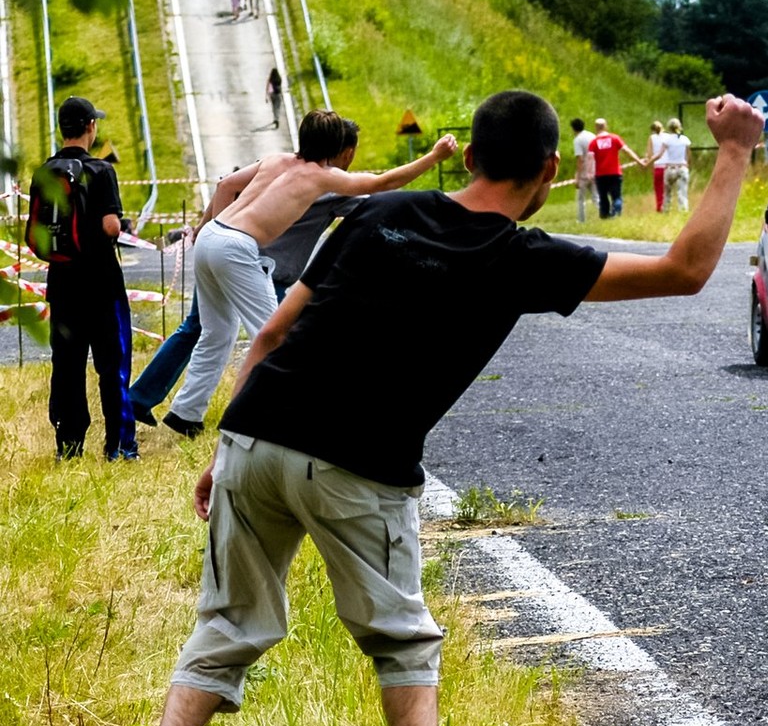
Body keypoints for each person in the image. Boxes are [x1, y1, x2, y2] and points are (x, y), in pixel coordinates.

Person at [111, 90, 763, 726]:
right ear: (549, 169)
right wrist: (734, 149)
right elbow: (686, 269)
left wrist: (227, 448)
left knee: (229, 621)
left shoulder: (377, 213)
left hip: (259, 432)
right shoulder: (519, 258)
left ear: (472, 155)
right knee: (402, 638)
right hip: (360, 463)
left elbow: (276, 331)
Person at [160, 112, 460, 438]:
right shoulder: (322, 177)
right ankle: (263, 421)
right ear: (337, 146)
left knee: (217, 332)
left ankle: (186, 413)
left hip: (213, 234)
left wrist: (214, 232)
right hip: (237, 247)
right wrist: (434, 156)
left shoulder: (276, 160)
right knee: (273, 336)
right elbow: (383, 182)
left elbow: (227, 184)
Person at [129, 193, 364, 424]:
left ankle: (154, 403)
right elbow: (372, 207)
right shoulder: (329, 186)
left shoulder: (269, 172)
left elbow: (225, 185)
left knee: (201, 329)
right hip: (262, 268)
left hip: (223, 250)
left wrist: (206, 229)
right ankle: (269, 415)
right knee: (273, 340)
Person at [41, 97, 138, 461]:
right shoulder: (100, 170)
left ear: (61, 129)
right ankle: (119, 445)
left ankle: (68, 445)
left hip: (61, 284)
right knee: (112, 365)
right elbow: (110, 226)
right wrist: (119, 226)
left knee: (67, 365)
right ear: (90, 127)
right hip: (101, 283)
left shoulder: (44, 172)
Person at [590, 118, 645, 219]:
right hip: (615, 173)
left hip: (601, 174)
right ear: (606, 126)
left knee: (603, 197)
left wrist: (589, 172)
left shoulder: (594, 142)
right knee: (616, 196)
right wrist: (639, 161)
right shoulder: (614, 138)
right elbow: (627, 150)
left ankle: (604, 215)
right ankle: (616, 212)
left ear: (596, 127)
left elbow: (589, 159)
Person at [657, 118, 692, 211]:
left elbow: (660, 154)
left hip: (670, 168)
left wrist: (650, 160)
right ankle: (683, 210)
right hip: (682, 167)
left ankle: (666, 209)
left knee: (667, 192)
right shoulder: (685, 139)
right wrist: (687, 163)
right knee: (682, 192)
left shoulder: (667, 140)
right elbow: (688, 154)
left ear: (669, 128)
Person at [570, 117, 596, 216]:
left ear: (573, 128)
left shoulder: (578, 140)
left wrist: (578, 176)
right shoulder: (592, 136)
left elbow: (580, 159)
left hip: (584, 173)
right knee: (596, 196)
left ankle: (581, 219)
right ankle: (602, 214)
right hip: (595, 169)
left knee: (581, 199)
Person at [647, 120, 666, 211]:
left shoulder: (652, 138)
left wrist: (650, 165)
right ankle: (667, 205)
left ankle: (660, 206)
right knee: (667, 188)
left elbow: (650, 153)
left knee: (658, 188)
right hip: (668, 165)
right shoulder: (668, 137)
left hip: (657, 166)